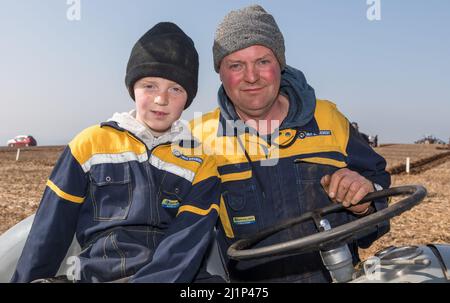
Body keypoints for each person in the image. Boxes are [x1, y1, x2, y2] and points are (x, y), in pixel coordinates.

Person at [190, 5, 390, 282]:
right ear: (220, 73)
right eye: (236, 65)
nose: (251, 77)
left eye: (263, 61)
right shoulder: (199, 139)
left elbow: (379, 191)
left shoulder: (329, 120)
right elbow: (176, 235)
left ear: (280, 65)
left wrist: (365, 201)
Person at [11, 22, 221, 283]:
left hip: (175, 278)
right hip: (97, 276)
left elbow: (186, 244)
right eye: (149, 85)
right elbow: (48, 233)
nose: (161, 99)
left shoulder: (201, 162)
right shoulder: (88, 145)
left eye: (175, 89)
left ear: (188, 97)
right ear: (132, 87)